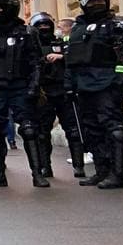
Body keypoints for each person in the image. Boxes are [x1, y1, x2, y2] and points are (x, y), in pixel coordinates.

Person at [0, 0, 46, 188]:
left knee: (29, 129)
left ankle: (37, 174)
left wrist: (34, 86)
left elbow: (36, 63)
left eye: (0, 8)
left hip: (20, 86)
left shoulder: (27, 33)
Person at [66, 0, 123, 188]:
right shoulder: (77, 29)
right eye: (93, 2)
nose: (97, 5)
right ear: (84, 4)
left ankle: (119, 174)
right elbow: (71, 59)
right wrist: (70, 84)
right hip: (84, 86)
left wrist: (120, 82)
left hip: (107, 85)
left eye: (101, 2)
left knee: (113, 128)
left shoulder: (116, 25)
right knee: (92, 130)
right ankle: (102, 171)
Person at [29, 12, 86, 179]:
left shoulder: (62, 43)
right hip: (43, 93)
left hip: (64, 90)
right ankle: (45, 167)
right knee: (42, 132)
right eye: (40, 26)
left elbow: (77, 58)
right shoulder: (32, 47)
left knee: (74, 130)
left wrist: (62, 57)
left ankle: (78, 165)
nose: (44, 29)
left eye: (47, 25)